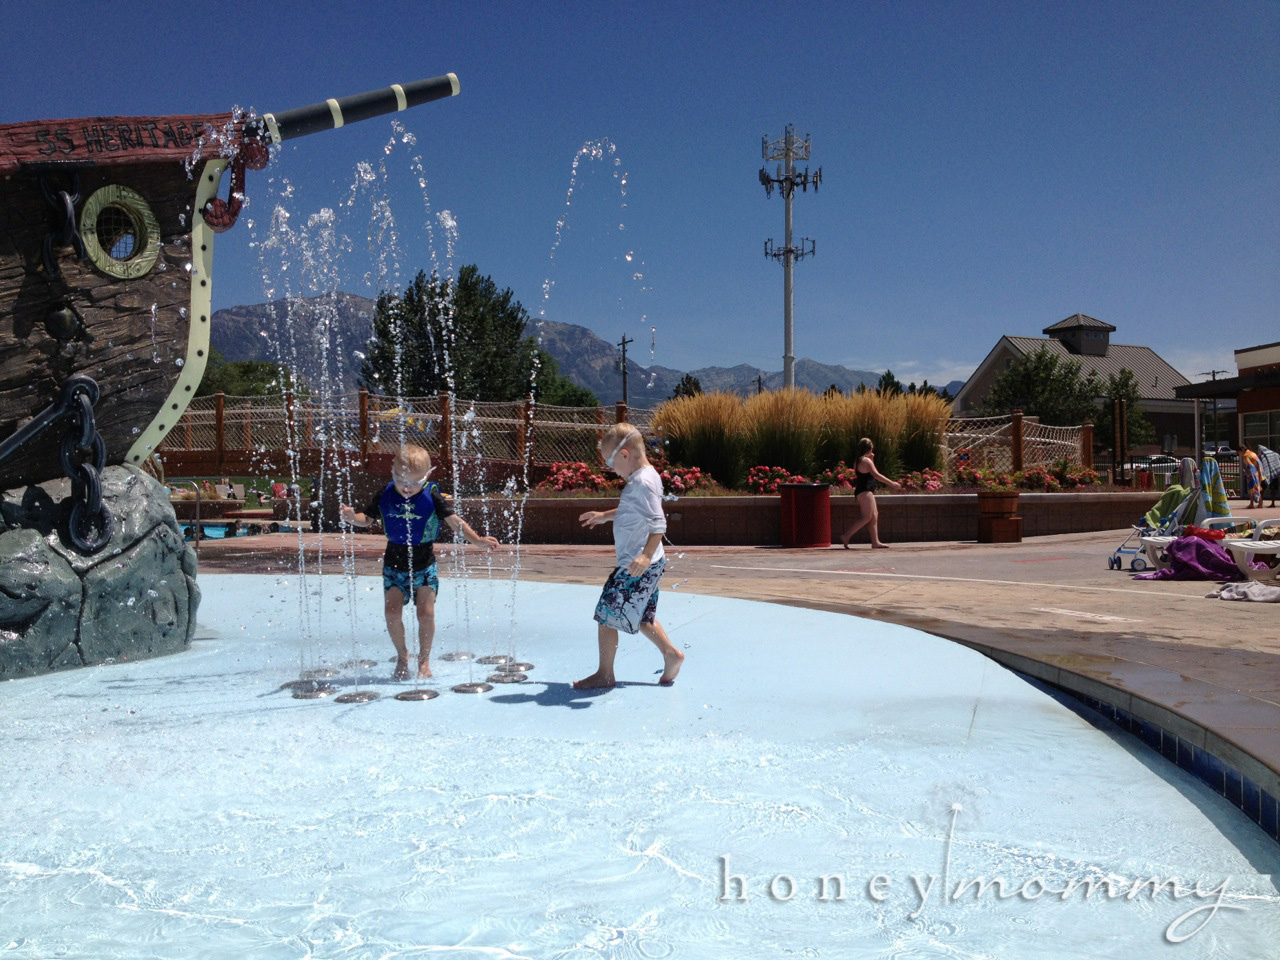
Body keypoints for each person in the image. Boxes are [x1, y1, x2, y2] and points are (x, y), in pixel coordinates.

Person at [340, 445, 498, 680]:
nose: (406, 487)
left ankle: (424, 661)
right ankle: (403, 656)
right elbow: (367, 519)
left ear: (425, 478)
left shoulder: (431, 496)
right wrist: (353, 517)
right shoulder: (386, 493)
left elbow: (455, 523)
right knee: (391, 613)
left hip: (425, 564)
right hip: (394, 565)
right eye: (401, 480)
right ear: (392, 473)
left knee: (426, 614)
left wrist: (477, 541)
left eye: (414, 483)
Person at [573, 424, 684, 690]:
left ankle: (605, 674)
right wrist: (605, 516)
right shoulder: (647, 476)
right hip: (651, 563)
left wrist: (644, 557)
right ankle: (671, 654)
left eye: (611, 463)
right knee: (642, 616)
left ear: (624, 454)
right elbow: (632, 510)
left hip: (637, 565)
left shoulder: (642, 482)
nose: (612, 470)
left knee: (606, 614)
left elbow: (658, 523)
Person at [839, 438, 903, 549]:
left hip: (863, 491)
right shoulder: (866, 461)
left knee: (874, 516)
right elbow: (876, 475)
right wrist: (892, 483)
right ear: (869, 448)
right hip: (865, 491)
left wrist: (871, 459)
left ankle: (875, 542)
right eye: (872, 447)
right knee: (867, 517)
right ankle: (846, 536)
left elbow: (868, 472)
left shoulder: (859, 460)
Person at [1237, 445, 1263, 509]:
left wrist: (1250, 475)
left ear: (1242, 450)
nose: (1239, 454)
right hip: (1258, 471)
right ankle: (1259, 503)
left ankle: (1252, 504)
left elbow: (1250, 466)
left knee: (1252, 489)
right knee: (1257, 488)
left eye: (1239, 452)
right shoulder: (1252, 453)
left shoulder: (1246, 456)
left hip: (1253, 474)